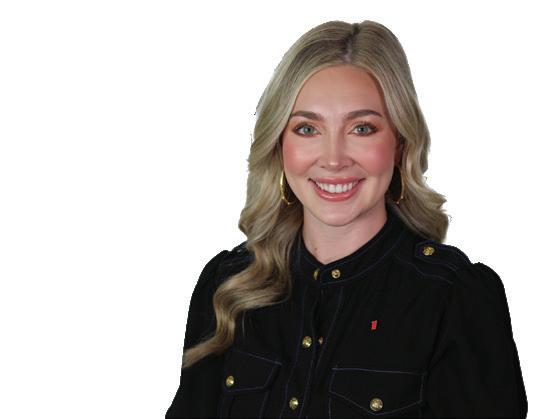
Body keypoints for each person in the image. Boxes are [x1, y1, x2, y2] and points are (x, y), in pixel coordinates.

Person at [165, 20, 527, 418]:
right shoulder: (228, 287)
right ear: (279, 145)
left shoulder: (455, 300)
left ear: (400, 142)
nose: (334, 159)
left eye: (362, 128)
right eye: (307, 128)